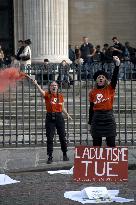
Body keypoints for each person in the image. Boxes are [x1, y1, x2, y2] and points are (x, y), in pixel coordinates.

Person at [28, 79, 72, 164]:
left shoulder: (60, 96)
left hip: (59, 117)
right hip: (50, 118)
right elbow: (41, 91)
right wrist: (37, 84)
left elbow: (62, 107)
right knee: (50, 138)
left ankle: (65, 153)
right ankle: (50, 156)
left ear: (57, 87)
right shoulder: (47, 95)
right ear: (50, 87)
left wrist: (67, 114)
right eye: (52, 85)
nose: (54, 87)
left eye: (55, 85)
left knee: (62, 137)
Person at [88, 56, 120, 147]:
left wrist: (117, 66)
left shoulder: (110, 88)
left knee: (111, 143)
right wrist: (90, 122)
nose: (101, 78)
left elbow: (114, 78)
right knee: (96, 145)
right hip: (97, 118)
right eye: (99, 77)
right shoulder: (92, 92)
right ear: (96, 80)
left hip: (108, 118)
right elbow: (91, 108)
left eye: (102, 77)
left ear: (105, 79)